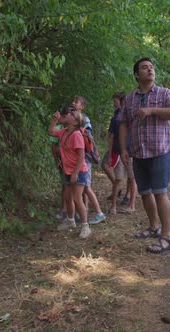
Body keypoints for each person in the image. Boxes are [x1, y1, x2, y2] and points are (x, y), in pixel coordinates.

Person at [119, 57, 170, 253]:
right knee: (145, 193)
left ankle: (167, 236)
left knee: (160, 192)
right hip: (138, 152)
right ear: (137, 74)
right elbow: (123, 124)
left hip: (160, 150)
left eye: (152, 67)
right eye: (145, 68)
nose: (150, 70)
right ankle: (154, 227)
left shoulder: (164, 93)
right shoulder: (130, 99)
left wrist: (152, 110)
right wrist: (123, 149)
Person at [48, 105, 92, 239]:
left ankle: (85, 226)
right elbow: (51, 132)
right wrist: (55, 120)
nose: (68, 115)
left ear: (75, 121)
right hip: (67, 170)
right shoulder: (64, 132)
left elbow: (81, 156)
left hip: (79, 171)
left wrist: (75, 173)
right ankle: (71, 221)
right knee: (67, 196)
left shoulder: (77, 134)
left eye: (72, 115)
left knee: (77, 198)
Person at [71, 96, 107, 225]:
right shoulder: (72, 118)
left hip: (84, 158)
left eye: (76, 102)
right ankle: (84, 212)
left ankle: (99, 213)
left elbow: (86, 138)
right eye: (73, 101)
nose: (73, 103)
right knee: (83, 187)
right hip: (77, 159)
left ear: (82, 106)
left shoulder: (84, 120)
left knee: (86, 186)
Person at [107, 92, 137, 214]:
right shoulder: (116, 118)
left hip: (132, 153)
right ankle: (113, 206)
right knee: (118, 179)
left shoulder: (134, 117)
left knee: (132, 178)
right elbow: (111, 136)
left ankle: (132, 205)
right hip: (119, 152)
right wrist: (110, 154)